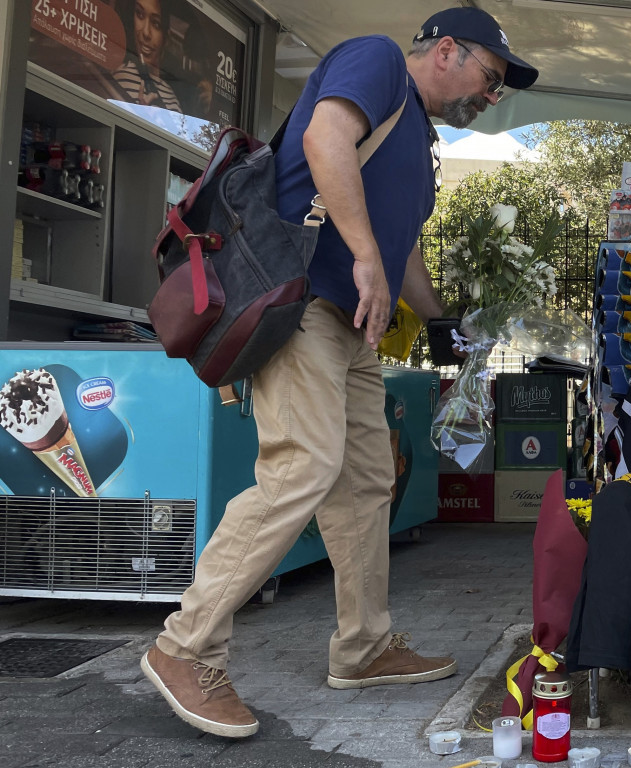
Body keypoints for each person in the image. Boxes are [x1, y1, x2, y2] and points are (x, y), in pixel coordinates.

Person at [140, 7, 538, 739]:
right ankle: (184, 647)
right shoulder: (377, 60)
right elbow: (326, 139)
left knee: (363, 483)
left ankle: (361, 648)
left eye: (501, 89)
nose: (491, 96)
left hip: (352, 328)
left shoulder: (417, 140)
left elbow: (399, 248)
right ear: (446, 50)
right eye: (490, 77)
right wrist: (361, 257)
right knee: (305, 467)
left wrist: (446, 318)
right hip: (303, 307)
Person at [112, 0, 183, 112]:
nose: (146, 32)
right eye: (140, 14)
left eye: (156, 24)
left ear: (165, 37)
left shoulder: (171, 95)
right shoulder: (124, 75)